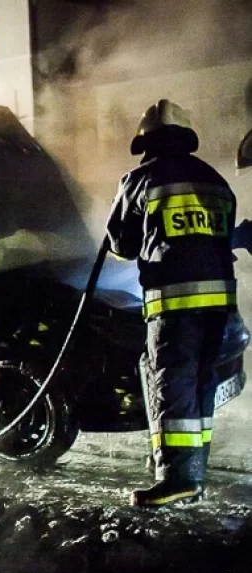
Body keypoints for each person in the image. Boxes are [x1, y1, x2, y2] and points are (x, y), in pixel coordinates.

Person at [106, 99, 238, 507]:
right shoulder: (215, 180)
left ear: (146, 141)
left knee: (172, 384)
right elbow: (225, 237)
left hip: (175, 303)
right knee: (200, 385)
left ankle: (176, 478)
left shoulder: (141, 179)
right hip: (222, 303)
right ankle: (192, 476)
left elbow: (121, 244)